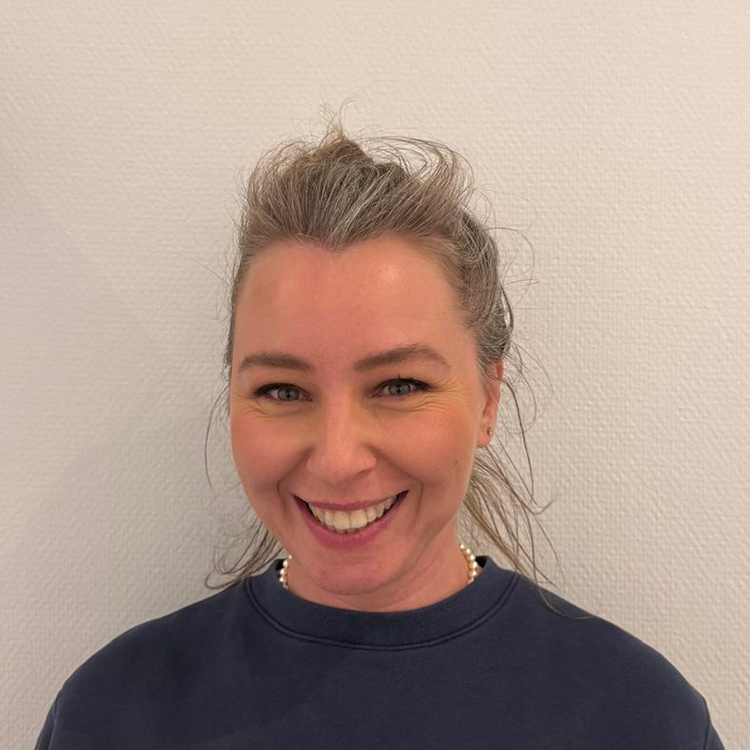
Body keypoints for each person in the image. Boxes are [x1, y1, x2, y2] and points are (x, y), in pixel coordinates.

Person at [34, 119, 725, 749]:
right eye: (282, 390)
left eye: (399, 386)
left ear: (487, 400)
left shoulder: (639, 717)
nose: (338, 460)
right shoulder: (113, 711)